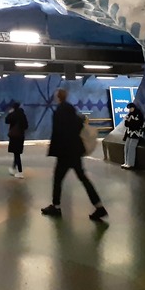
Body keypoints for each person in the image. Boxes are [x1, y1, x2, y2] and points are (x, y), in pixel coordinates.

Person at [41, 88, 108, 221]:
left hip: (64, 152)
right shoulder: (72, 111)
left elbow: (58, 133)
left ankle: (56, 206)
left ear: (58, 97)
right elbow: (79, 126)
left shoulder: (59, 112)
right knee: (83, 179)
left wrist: (54, 150)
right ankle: (99, 207)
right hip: (75, 151)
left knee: (58, 179)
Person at [5, 101, 28, 178]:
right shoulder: (23, 114)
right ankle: (13, 168)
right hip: (21, 136)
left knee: (16, 155)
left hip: (14, 137)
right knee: (17, 153)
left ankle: (20, 172)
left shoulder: (13, 114)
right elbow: (26, 126)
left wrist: (10, 113)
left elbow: (6, 121)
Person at [121, 102, 145, 169]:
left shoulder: (138, 114)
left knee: (132, 147)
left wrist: (130, 122)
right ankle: (126, 162)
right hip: (129, 133)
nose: (130, 110)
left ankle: (130, 163)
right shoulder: (129, 114)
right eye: (129, 108)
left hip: (136, 133)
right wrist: (129, 122)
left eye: (131, 108)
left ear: (134, 108)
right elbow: (126, 124)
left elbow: (139, 124)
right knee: (126, 146)